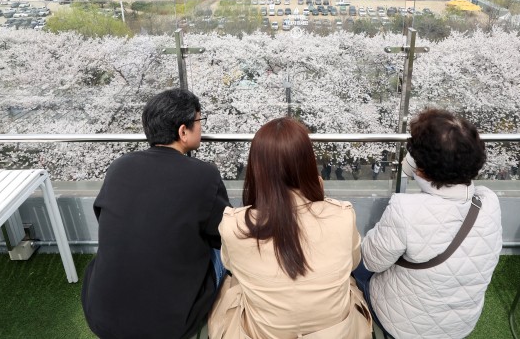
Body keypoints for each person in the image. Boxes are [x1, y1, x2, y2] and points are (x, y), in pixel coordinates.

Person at [81, 89, 230, 339]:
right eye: (199, 121)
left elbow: (104, 217)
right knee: (224, 251)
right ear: (183, 131)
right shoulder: (204, 175)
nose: (201, 128)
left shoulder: (120, 166)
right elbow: (223, 236)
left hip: (101, 317)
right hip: (168, 327)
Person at [208, 118, 372, 339]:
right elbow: (352, 262)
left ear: (256, 168)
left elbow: (230, 265)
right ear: (308, 163)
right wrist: (318, 193)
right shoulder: (342, 216)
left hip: (264, 333)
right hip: (338, 333)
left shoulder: (234, 225)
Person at [357, 108, 502, 339]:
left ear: (421, 167)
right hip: (460, 325)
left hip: (405, 325)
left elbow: (372, 260)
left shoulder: (406, 209)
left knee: (356, 267)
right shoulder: (489, 201)